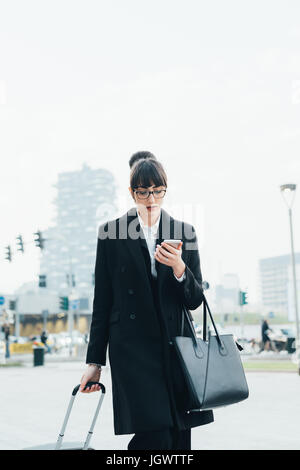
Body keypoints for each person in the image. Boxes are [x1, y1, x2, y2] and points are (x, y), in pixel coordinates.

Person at [79, 151, 214, 450]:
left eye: (157, 191)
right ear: (132, 192)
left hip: (176, 350)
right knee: (156, 437)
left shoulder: (184, 233)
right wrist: (95, 361)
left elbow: (194, 301)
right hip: (134, 352)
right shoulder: (111, 234)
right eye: (143, 192)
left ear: (165, 189)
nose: (151, 199)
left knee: (179, 439)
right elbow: (102, 302)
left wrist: (180, 267)